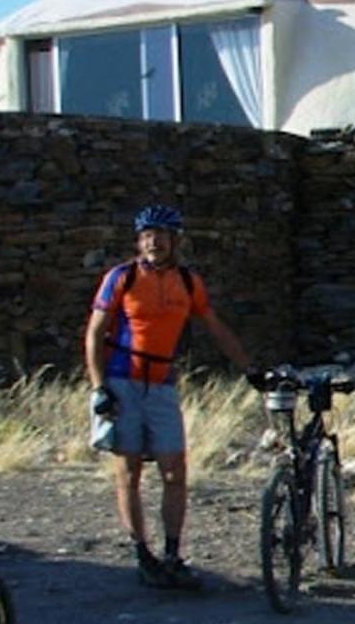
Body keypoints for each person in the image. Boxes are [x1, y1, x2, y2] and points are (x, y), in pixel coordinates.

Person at [84, 203, 253, 590]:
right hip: (122, 379)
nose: (153, 242)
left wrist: (249, 368)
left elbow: (214, 325)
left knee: (175, 471)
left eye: (161, 235)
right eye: (147, 236)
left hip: (162, 382)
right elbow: (95, 333)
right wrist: (98, 387)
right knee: (128, 473)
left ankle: (173, 555)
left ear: (175, 241)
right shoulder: (121, 277)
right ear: (139, 240)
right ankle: (142, 554)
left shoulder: (189, 282)